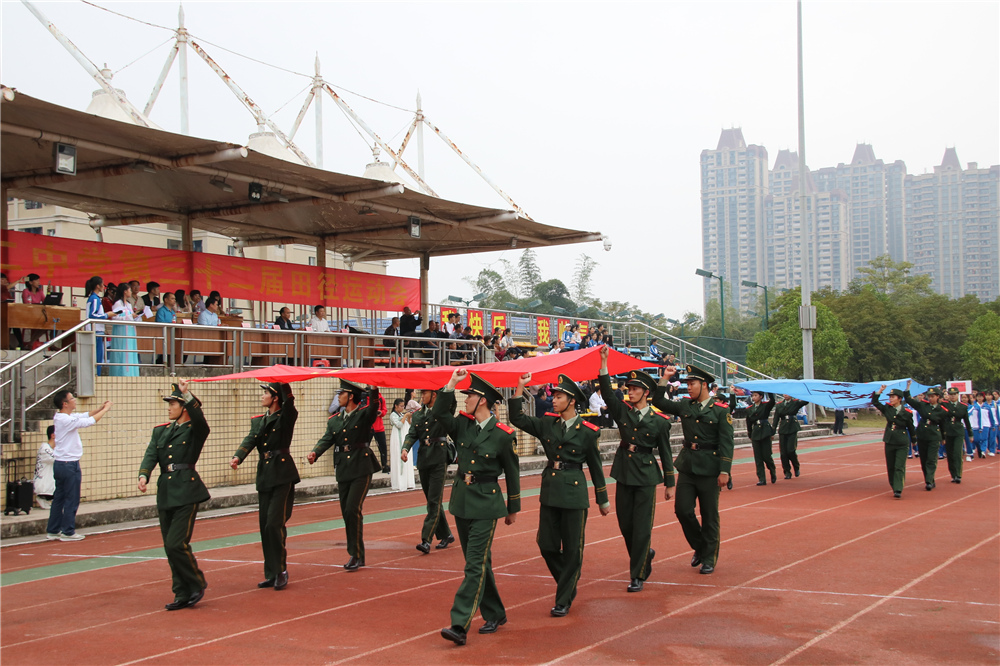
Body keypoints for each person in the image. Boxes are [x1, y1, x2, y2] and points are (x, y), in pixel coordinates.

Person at [431, 370, 520, 646]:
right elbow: (439, 415)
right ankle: (495, 613)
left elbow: (513, 472)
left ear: (482, 400)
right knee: (480, 562)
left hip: (486, 504)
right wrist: (451, 384)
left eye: (469, 394)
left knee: (474, 564)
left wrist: (512, 507)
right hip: (462, 501)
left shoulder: (503, 435)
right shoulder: (462, 425)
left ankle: (459, 624)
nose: (466, 398)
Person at [510, 372, 609, 615]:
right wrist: (519, 387)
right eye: (553, 395)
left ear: (572, 400)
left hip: (574, 492)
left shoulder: (588, 431)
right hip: (551, 491)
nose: (553, 399)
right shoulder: (547, 423)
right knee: (547, 545)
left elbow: (596, 467)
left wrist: (602, 498)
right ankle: (569, 580)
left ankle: (563, 599)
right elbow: (517, 418)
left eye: (559, 396)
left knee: (573, 548)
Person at [597, 348, 674, 591]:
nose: (630, 392)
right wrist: (604, 363)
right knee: (625, 526)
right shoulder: (623, 411)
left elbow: (665, 452)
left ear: (646, 393)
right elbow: (609, 395)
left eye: (635, 389)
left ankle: (637, 574)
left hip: (646, 475)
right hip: (624, 472)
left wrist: (670, 483)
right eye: (628, 389)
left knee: (642, 527)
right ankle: (644, 554)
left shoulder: (659, 421)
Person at [651, 362, 733, 575]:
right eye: (687, 383)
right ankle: (700, 546)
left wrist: (725, 470)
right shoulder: (686, 406)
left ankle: (708, 558)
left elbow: (727, 442)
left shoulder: (721, 412)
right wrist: (664, 379)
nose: (688, 387)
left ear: (704, 385)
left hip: (710, 468)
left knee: (709, 514)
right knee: (683, 510)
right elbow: (658, 401)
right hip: (688, 466)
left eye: (692, 383)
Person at [137, 380, 210, 610]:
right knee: (169, 547)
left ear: (184, 407)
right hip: (166, 492)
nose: (169, 407)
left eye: (173, 403)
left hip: (186, 492)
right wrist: (144, 475)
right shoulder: (161, 431)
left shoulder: (195, 430)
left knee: (176, 543)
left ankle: (196, 583)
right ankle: (181, 592)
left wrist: (187, 394)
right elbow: (151, 454)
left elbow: (201, 420)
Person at [231, 382, 300, 590]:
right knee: (264, 526)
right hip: (265, 475)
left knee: (274, 523)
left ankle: (281, 570)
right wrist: (238, 456)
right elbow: (250, 440)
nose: (262, 396)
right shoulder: (260, 421)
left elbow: (290, 405)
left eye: (266, 393)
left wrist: (284, 384)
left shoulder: (285, 417)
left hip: (282, 473)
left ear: (276, 397)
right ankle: (270, 572)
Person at [307, 380, 382, 570]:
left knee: (352, 509)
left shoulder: (363, 414)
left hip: (361, 467)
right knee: (346, 513)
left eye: (341, 393)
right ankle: (357, 553)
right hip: (343, 468)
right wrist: (315, 452)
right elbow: (327, 438)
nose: (338, 396)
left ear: (350, 397)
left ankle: (355, 554)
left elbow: (373, 407)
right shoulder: (335, 420)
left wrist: (373, 389)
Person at [45, 390, 112, 540]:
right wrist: (106, 410)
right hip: (69, 465)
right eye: (72, 399)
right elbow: (88, 422)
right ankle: (68, 531)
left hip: (61, 464)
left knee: (59, 498)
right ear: (65, 404)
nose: (74, 400)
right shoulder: (65, 420)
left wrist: (100, 408)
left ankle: (53, 529)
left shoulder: (63, 417)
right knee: (71, 498)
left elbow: (84, 415)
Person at [401, 389, 456, 554]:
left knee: (433, 500)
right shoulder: (417, 414)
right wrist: (405, 448)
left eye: (424, 393)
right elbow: (412, 434)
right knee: (432, 500)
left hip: (439, 458)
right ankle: (446, 534)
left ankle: (426, 539)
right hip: (424, 458)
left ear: (434, 395)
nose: (421, 396)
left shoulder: (442, 411)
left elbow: (452, 403)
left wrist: (450, 386)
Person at [871, 386, 916, 499]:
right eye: (890, 397)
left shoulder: (907, 412)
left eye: (893, 397)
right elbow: (875, 402)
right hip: (890, 440)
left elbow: (911, 427)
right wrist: (879, 391)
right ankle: (893, 485)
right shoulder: (888, 409)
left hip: (902, 440)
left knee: (899, 466)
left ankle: (898, 488)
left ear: (899, 398)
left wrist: (914, 440)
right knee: (891, 466)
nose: (891, 399)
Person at [904, 384, 948, 490]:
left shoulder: (942, 410)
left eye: (933, 396)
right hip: (922, 434)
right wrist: (908, 388)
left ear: (938, 397)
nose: (930, 398)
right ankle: (929, 479)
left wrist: (943, 437)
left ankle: (929, 481)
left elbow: (943, 425)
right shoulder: (923, 405)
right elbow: (909, 400)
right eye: (929, 396)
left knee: (931, 459)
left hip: (934, 435)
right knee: (923, 459)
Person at [772, 395, 810, 479]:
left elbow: (806, 401)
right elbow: (776, 418)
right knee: (783, 453)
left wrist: (801, 393)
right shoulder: (779, 405)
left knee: (791, 450)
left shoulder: (795, 403)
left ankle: (796, 467)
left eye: (787, 393)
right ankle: (787, 471)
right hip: (783, 428)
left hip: (792, 427)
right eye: (784, 394)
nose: (785, 395)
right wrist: (773, 431)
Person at [109, 283, 141, 377]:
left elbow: (130, 317)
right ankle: (121, 373)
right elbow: (115, 318)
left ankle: (131, 374)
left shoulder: (129, 304)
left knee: (130, 351)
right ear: (124, 291)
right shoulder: (118, 303)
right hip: (121, 330)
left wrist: (136, 316)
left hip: (130, 331)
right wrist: (130, 316)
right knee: (122, 352)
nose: (131, 292)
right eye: (129, 290)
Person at [745, 391, 777, 485]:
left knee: (766, 456)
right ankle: (761, 478)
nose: (753, 397)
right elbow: (748, 422)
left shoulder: (765, 406)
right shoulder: (749, 409)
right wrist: (750, 433)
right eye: (752, 396)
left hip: (765, 431)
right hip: (755, 432)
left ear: (761, 397)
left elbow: (772, 401)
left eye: (756, 395)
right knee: (758, 457)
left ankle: (772, 470)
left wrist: (770, 391)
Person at [942, 387, 973, 483]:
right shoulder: (944, 405)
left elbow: (967, 421)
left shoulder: (963, 407)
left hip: (958, 431)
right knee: (950, 454)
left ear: (957, 395)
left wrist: (970, 434)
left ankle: (958, 475)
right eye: (951, 394)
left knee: (957, 453)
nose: (952, 396)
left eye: (954, 394)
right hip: (948, 431)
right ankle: (953, 474)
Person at [388, 399, 416, 491]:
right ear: (395, 406)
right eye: (400, 406)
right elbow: (399, 425)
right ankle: (399, 483)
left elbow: (409, 423)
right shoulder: (393, 415)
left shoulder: (401, 414)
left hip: (404, 436)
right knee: (398, 458)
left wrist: (408, 416)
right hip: (397, 438)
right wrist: (405, 416)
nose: (402, 408)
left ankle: (408, 482)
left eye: (403, 406)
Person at [84, 276, 109, 374]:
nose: (104, 287)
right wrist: (107, 315)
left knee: (98, 356)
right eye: (103, 284)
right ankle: (96, 375)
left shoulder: (94, 298)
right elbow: (92, 315)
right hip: (95, 331)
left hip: (97, 330)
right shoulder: (95, 299)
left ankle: (96, 375)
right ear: (98, 286)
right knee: (97, 357)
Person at [34, 425, 56, 509]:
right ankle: (45, 497)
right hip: (44, 488)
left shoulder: (52, 449)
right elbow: (58, 459)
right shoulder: (45, 449)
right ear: (53, 435)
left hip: (48, 487)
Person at [368, 390, 390, 474]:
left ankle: (384, 465)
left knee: (383, 447)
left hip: (379, 427)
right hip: (369, 427)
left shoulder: (381, 399)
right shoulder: (367, 398)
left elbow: (384, 410)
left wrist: (381, 413)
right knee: (365, 447)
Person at [970, 392, 992, 459]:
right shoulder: (974, 406)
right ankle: (979, 449)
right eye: (978, 397)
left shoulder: (987, 406)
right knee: (976, 439)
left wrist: (993, 425)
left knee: (984, 438)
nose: (979, 398)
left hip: (985, 424)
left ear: (983, 398)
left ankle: (983, 451)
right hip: (976, 425)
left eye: (981, 397)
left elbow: (991, 416)